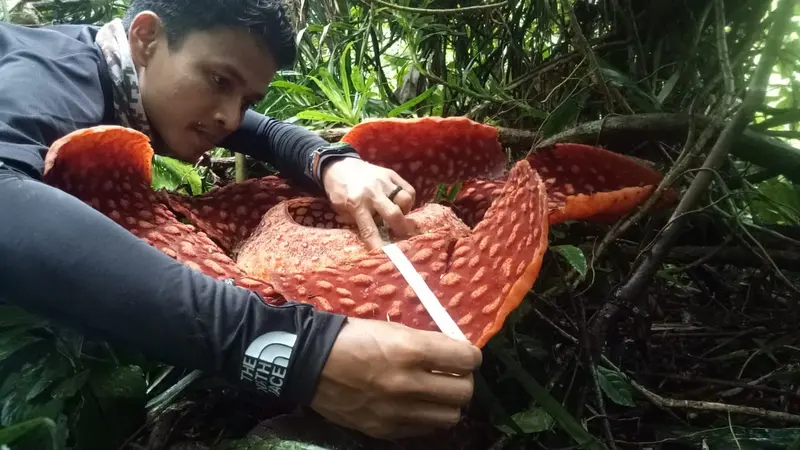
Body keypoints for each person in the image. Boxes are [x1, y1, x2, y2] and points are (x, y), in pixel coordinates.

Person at [0, 0, 482, 440]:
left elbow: (266, 133)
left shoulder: (128, 76)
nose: (231, 119)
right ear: (146, 39)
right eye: (219, 81)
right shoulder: (54, 71)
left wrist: (334, 163)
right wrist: (290, 351)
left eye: (246, 99)